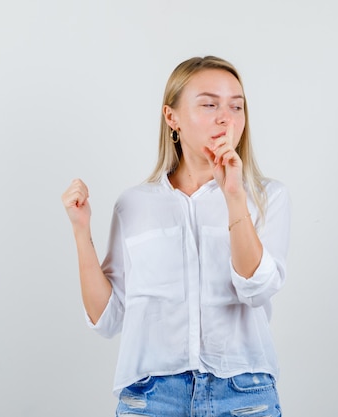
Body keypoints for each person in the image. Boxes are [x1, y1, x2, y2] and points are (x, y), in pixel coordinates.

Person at [61, 55, 290, 417]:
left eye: (236, 106)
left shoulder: (265, 196)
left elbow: (256, 288)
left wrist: (233, 196)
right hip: (151, 398)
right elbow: (107, 318)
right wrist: (80, 229)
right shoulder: (134, 204)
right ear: (173, 118)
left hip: (243, 395)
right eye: (209, 104)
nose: (225, 118)